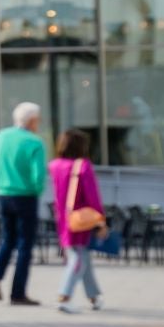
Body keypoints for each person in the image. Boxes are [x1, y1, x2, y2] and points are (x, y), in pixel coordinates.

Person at [0, 100, 48, 306]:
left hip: (3, 194)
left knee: (8, 238)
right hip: (26, 196)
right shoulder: (35, 142)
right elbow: (39, 175)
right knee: (25, 245)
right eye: (37, 120)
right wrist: (37, 190)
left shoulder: (0, 137)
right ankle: (18, 293)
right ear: (31, 120)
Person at [50, 128, 107, 314]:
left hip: (64, 218)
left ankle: (94, 297)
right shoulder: (83, 166)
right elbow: (92, 195)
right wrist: (100, 220)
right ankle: (64, 296)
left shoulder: (55, 165)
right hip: (81, 218)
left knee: (82, 257)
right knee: (79, 258)